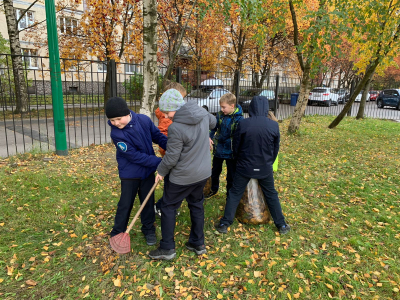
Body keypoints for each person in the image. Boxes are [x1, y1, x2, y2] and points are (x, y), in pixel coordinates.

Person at [148, 89, 217, 260]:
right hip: (202, 173)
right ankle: (197, 243)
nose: (165, 115)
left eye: (167, 111)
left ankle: (167, 248)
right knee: (196, 204)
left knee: (168, 207)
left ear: (175, 108)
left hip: (183, 177)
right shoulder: (201, 114)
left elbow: (171, 158)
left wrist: (161, 172)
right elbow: (214, 122)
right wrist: (204, 133)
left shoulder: (176, 128)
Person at [214, 96, 291, 235]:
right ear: (266, 108)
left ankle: (225, 223)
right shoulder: (273, 125)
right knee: (271, 194)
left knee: (234, 193)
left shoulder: (244, 124)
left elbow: (236, 146)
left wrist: (240, 161)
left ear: (252, 108)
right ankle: (281, 225)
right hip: (264, 167)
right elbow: (275, 149)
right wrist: (267, 163)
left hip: (245, 167)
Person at [106, 97, 168, 246]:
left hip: (147, 172)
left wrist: (172, 148)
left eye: (118, 119)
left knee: (147, 201)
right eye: (112, 120)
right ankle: (118, 232)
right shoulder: (117, 134)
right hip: (130, 174)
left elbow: (158, 136)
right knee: (125, 203)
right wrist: (162, 162)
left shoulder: (144, 120)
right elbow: (134, 156)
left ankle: (148, 229)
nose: (116, 123)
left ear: (127, 113)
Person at [154, 82, 187, 217]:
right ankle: (161, 207)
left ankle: (168, 205)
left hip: (174, 154)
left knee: (173, 184)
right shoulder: (166, 116)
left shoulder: (173, 114)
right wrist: (170, 149)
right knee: (171, 185)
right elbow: (164, 135)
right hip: (170, 155)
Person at [205, 93, 243, 200]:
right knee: (215, 171)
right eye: (221, 107)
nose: (222, 109)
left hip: (231, 151)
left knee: (231, 174)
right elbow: (214, 127)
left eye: (224, 107)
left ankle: (229, 194)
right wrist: (209, 137)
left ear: (232, 106)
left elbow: (238, 136)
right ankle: (213, 189)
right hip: (219, 148)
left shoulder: (239, 119)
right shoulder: (220, 115)